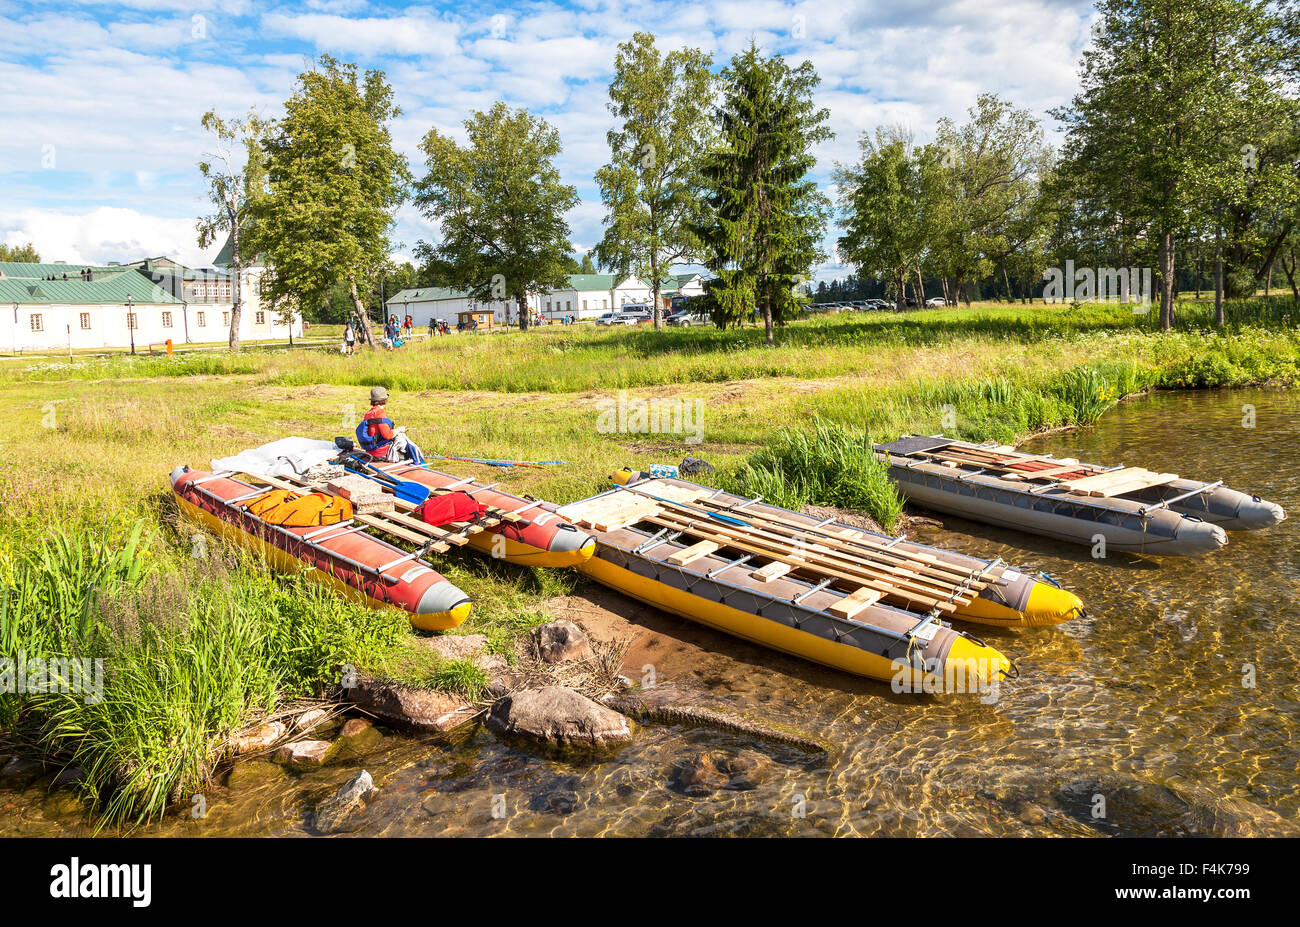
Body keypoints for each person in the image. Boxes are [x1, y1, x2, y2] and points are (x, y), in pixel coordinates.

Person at [355, 386, 425, 464]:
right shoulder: (380, 413)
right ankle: (419, 463)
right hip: (381, 453)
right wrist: (399, 430)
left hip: (371, 451)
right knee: (405, 444)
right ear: (384, 400)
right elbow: (387, 435)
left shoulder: (368, 413)